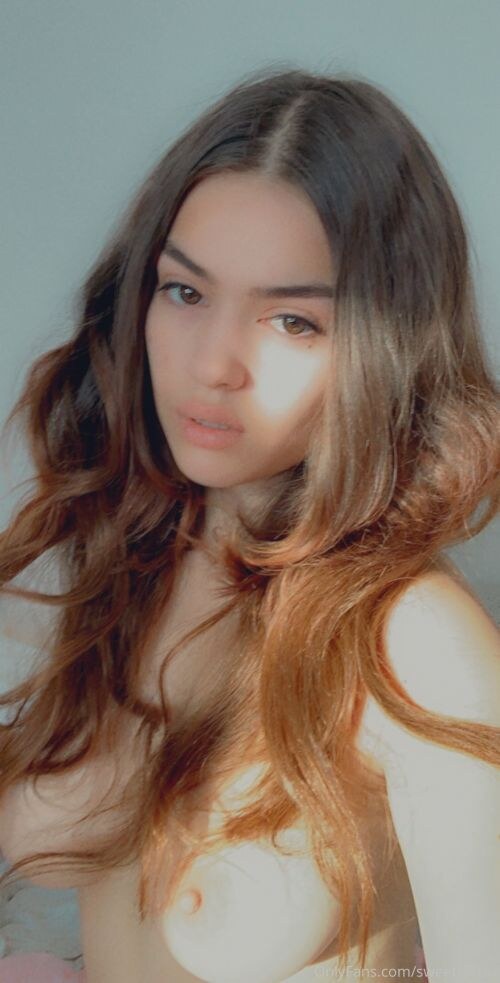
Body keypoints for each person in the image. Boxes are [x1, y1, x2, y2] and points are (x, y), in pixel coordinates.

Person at [0, 65, 499, 983]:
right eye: (186, 293)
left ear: (387, 351)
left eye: (292, 320)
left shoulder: (416, 642)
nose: (213, 365)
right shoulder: (133, 560)